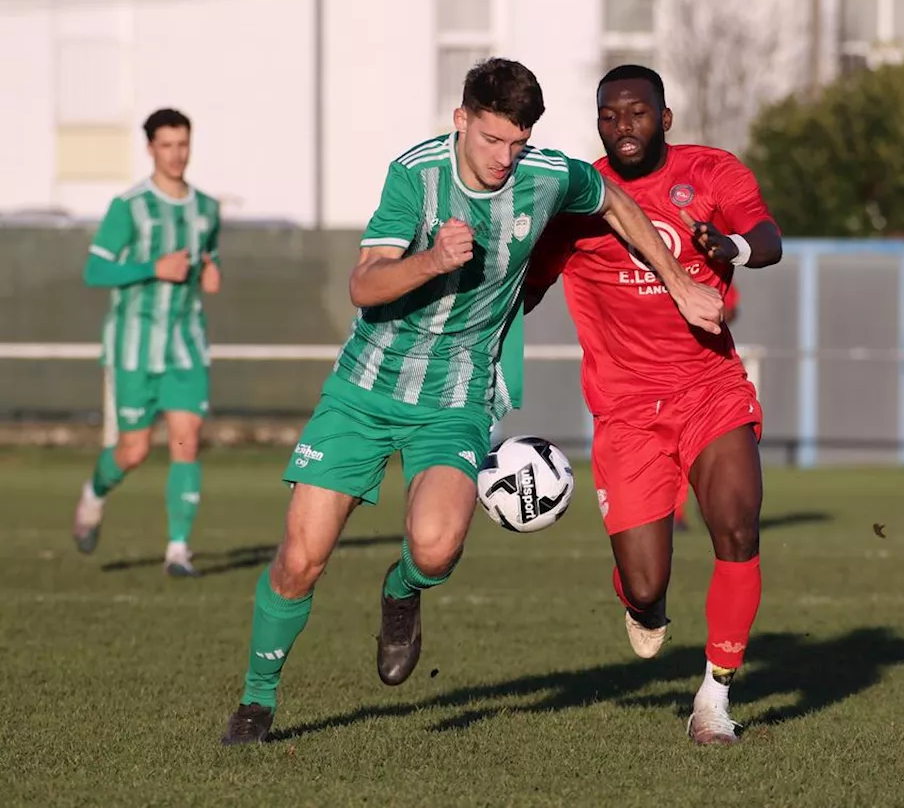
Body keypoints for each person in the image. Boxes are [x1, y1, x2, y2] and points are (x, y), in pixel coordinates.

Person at [219, 58, 723, 746]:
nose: (504, 159)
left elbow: (613, 203)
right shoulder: (416, 175)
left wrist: (677, 282)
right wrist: (430, 259)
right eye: (492, 141)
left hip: (457, 394)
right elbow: (364, 285)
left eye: (517, 143)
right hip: (365, 388)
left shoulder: (546, 174)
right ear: (462, 120)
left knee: (434, 547)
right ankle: (256, 700)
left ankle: (402, 589)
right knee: (301, 557)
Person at [525, 65, 783, 745]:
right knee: (646, 584)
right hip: (627, 410)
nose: (622, 126)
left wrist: (731, 247)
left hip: (710, 388)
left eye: (637, 113)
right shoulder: (577, 198)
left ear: (665, 118)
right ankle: (642, 599)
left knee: (738, 525)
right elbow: (528, 285)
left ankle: (714, 699)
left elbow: (769, 237)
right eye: (609, 115)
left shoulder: (712, 172)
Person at [73, 108, 222, 578]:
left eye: (183, 144)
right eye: (167, 145)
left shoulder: (207, 208)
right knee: (133, 450)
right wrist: (152, 268)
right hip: (134, 347)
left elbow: (206, 258)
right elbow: (95, 270)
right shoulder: (130, 206)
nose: (176, 155)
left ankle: (178, 550)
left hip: (185, 345)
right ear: (150, 149)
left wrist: (211, 271)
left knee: (186, 440)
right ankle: (94, 493)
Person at [673, 282, 739, 532]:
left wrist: (712, 313)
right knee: (672, 451)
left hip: (706, 373)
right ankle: (675, 516)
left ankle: (713, 505)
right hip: (660, 376)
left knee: (711, 448)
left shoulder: (709, 262)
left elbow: (731, 307)